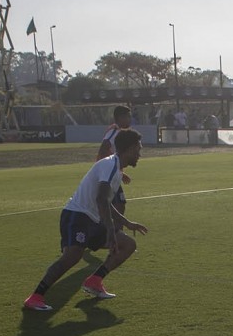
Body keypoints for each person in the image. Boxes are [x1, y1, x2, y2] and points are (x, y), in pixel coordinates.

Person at [23, 130, 147, 311]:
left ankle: (95, 281)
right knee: (72, 256)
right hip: (77, 215)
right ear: (128, 149)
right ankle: (35, 297)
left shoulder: (117, 169)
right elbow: (101, 200)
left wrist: (126, 223)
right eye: (138, 149)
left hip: (94, 219)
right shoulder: (110, 165)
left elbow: (105, 202)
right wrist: (111, 232)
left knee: (128, 244)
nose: (139, 154)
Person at [97, 104, 133, 214]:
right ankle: (114, 230)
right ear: (120, 118)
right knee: (117, 205)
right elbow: (103, 148)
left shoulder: (120, 132)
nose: (129, 119)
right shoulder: (113, 131)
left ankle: (115, 230)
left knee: (119, 205)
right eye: (127, 117)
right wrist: (103, 171)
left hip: (113, 174)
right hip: (108, 176)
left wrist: (120, 173)